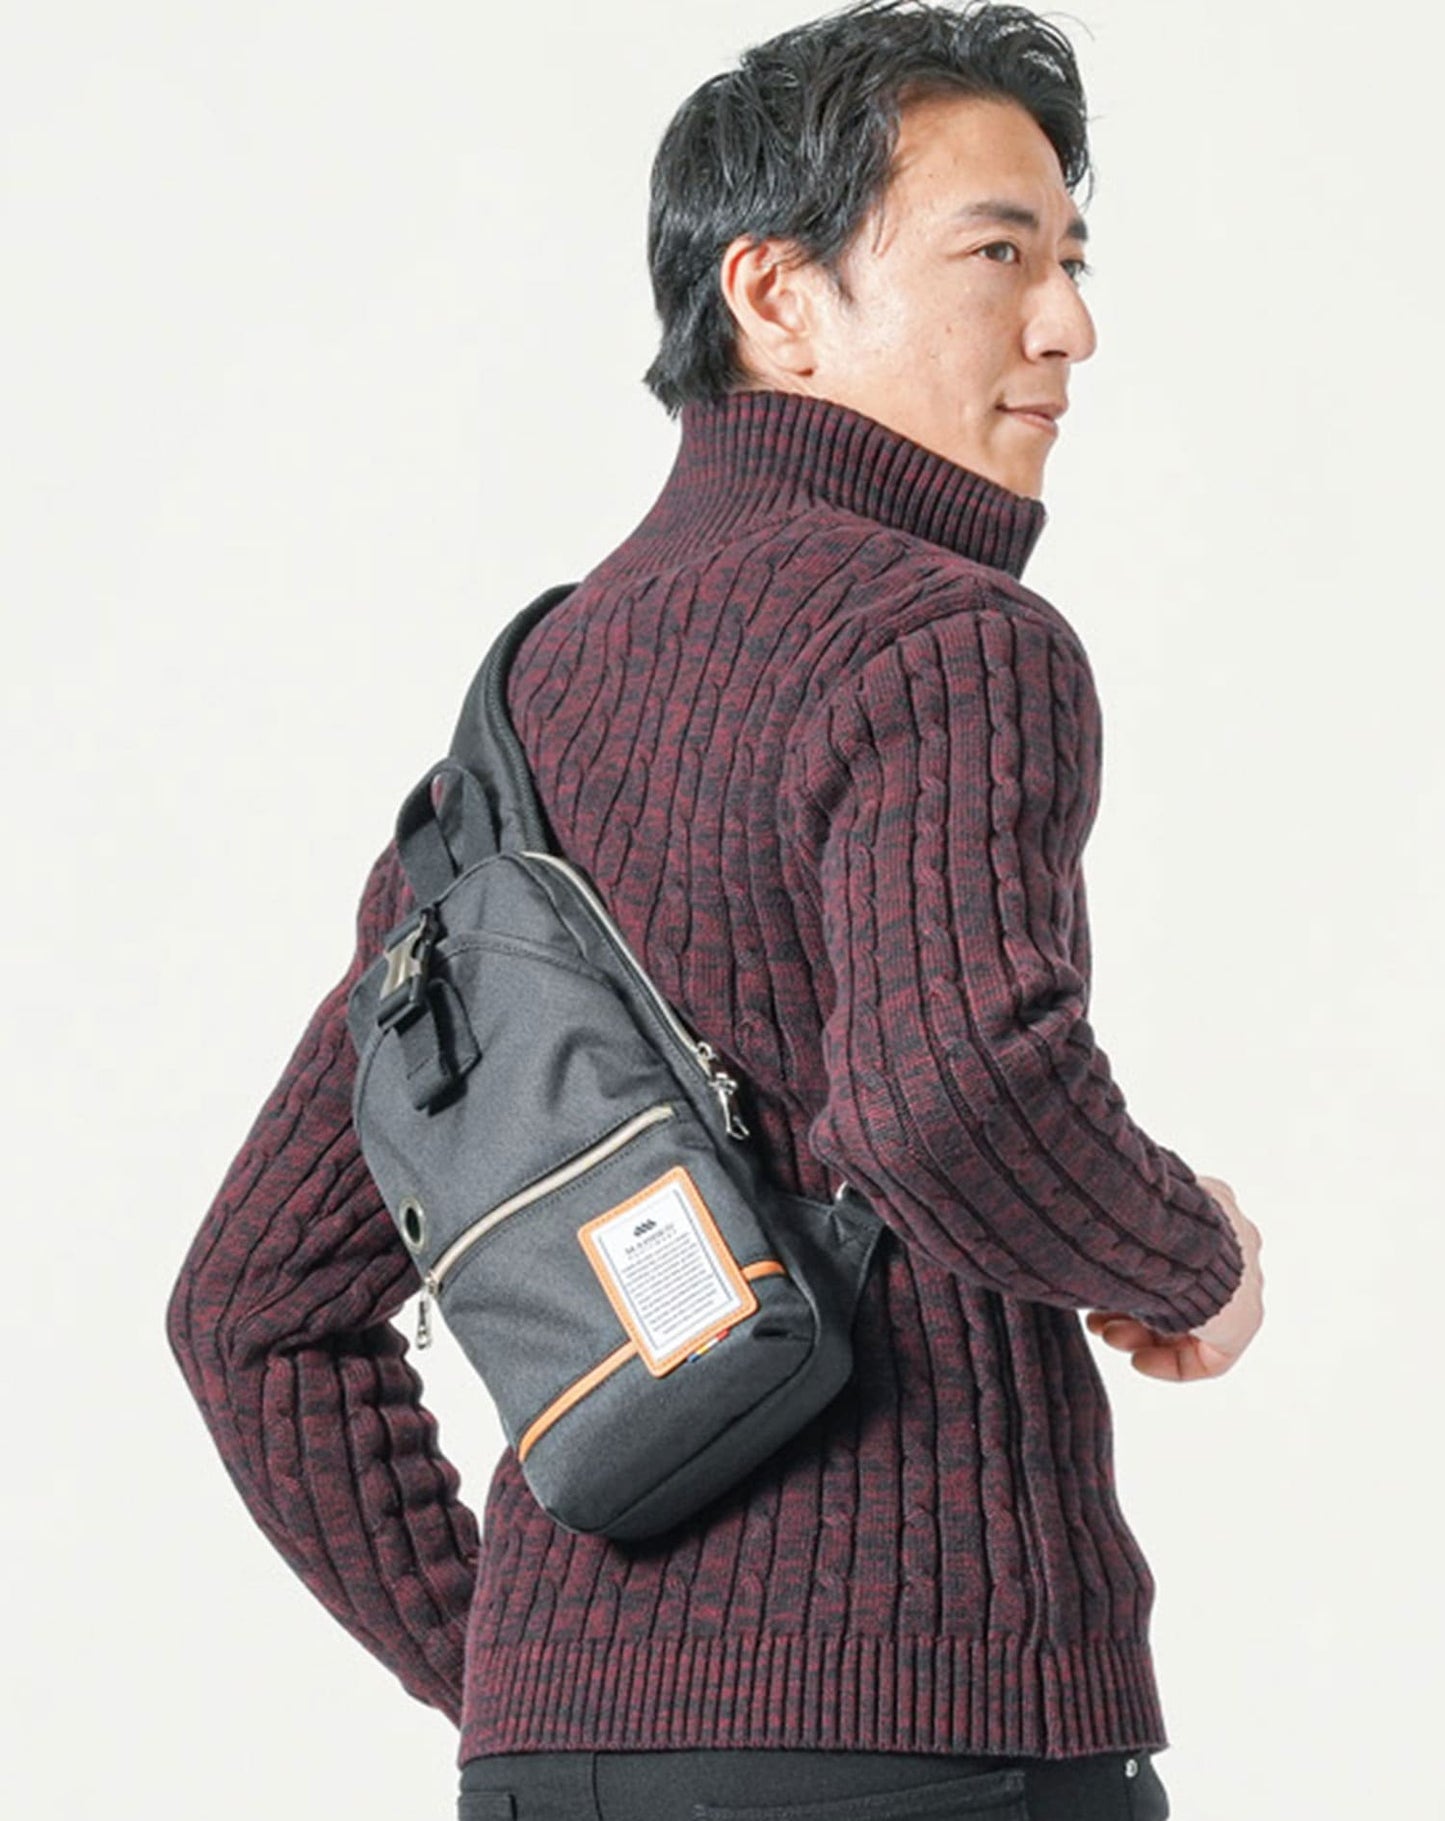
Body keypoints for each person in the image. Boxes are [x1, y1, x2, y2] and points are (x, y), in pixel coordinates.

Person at [165, 2, 1266, 1817]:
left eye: (1071, 261)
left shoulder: (522, 720)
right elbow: (957, 1097)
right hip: (928, 1736)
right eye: (997, 255)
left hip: (554, 1770)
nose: (1068, 324)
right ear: (774, 295)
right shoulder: (948, 639)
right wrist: (1191, 1263)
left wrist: (527, 1668)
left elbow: (253, 1309)